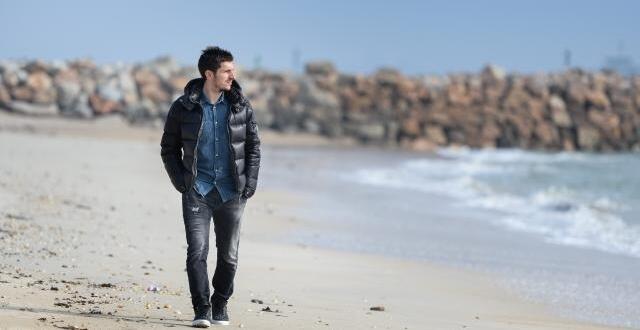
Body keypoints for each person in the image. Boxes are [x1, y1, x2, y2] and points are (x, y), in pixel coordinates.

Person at [160, 46, 261, 327]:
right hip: (197, 191)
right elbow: (168, 149)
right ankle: (202, 308)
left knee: (229, 257)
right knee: (197, 252)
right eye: (227, 71)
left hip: (232, 192)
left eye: (233, 70)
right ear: (209, 74)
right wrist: (181, 181)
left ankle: (220, 303)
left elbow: (253, 147)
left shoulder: (241, 106)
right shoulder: (183, 107)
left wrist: (249, 182)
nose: (233, 76)